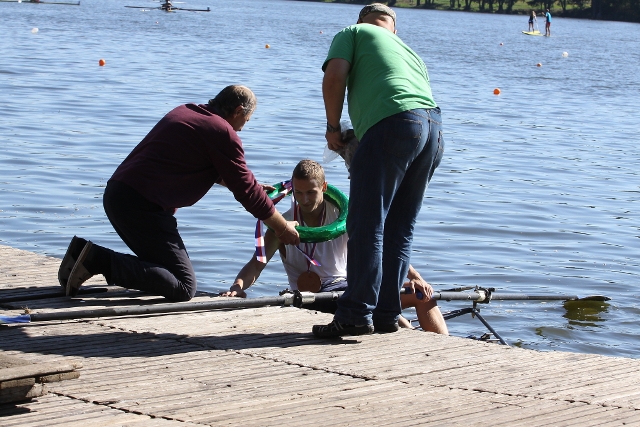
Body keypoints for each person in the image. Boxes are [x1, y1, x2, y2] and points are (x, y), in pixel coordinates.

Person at [58, 85, 300, 301]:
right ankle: (94, 259)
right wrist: (282, 228)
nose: (242, 128)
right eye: (246, 120)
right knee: (184, 286)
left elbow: (205, 167)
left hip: (119, 194)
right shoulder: (222, 131)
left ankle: (83, 255)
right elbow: (247, 193)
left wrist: (250, 185)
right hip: (142, 206)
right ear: (238, 111)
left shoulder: (187, 111)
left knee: (164, 270)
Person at [315, 3, 444, 338]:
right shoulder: (408, 50)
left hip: (394, 124)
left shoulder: (354, 32)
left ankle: (356, 314)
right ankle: (386, 315)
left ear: (361, 20)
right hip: (433, 129)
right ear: (394, 29)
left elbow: (335, 76)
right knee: (400, 227)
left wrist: (332, 128)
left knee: (366, 223)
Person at [221, 159, 448, 335]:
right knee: (385, 309)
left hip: (349, 293)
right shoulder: (283, 225)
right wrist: (237, 286)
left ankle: (444, 346)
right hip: (311, 299)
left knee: (421, 295)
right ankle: (406, 330)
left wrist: (416, 277)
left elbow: (383, 247)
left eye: (311, 192)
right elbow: (256, 264)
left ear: (324, 187)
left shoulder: (345, 217)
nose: (304, 200)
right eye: (299, 193)